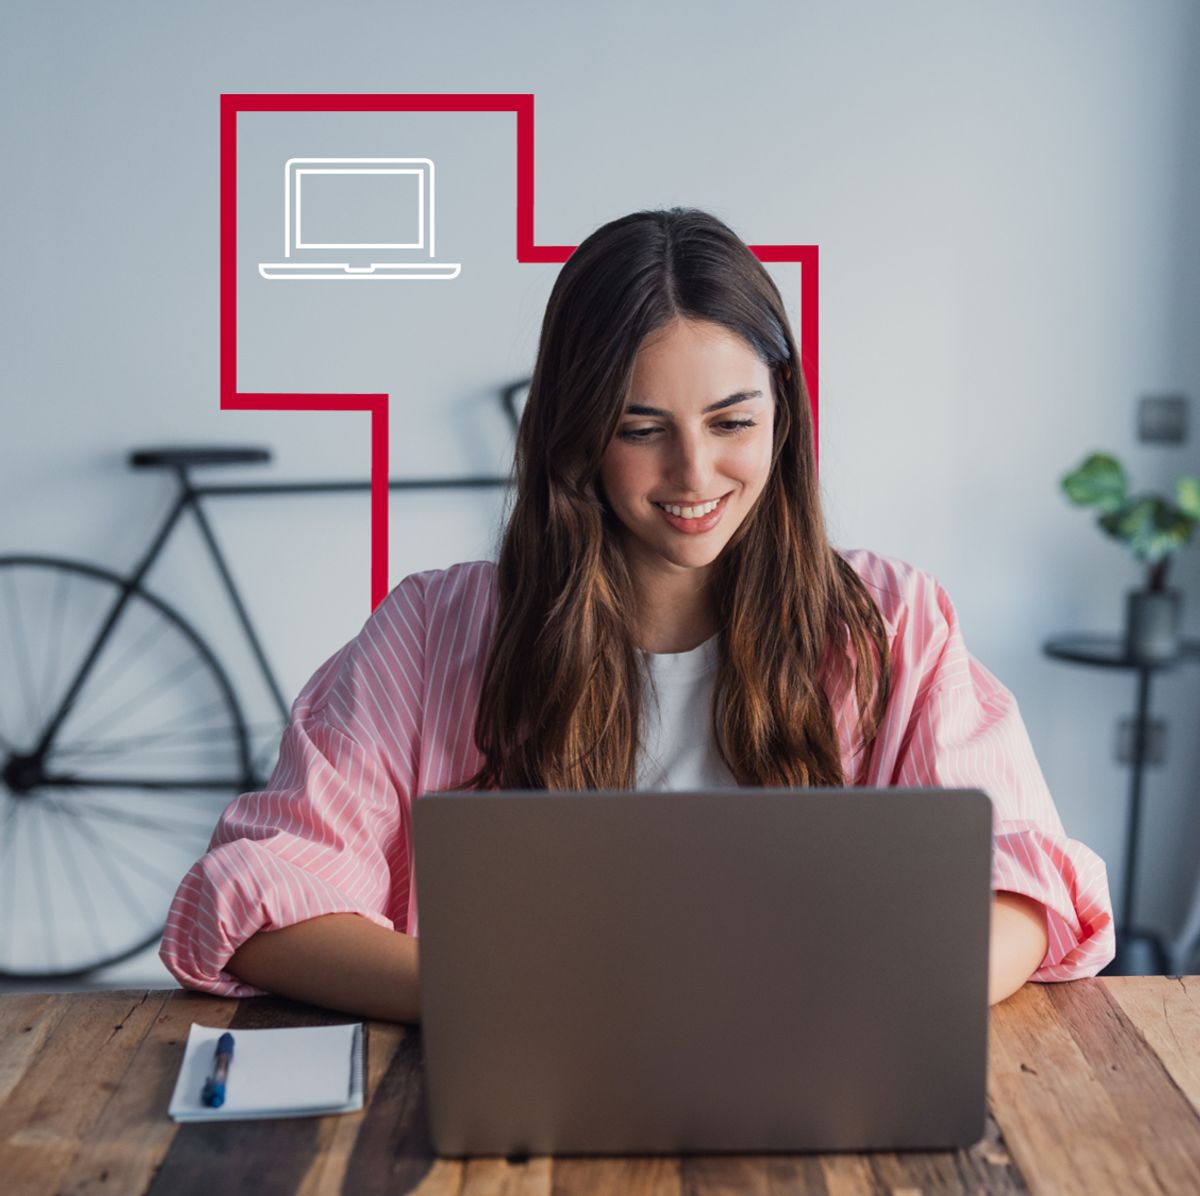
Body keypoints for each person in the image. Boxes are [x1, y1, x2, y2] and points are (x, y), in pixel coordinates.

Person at [160, 207, 1116, 1022]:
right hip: (530, 1087)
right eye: (640, 428)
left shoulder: (892, 623)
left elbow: (1024, 887)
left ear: (782, 420)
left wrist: (864, 998)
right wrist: (532, 1000)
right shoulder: (429, 632)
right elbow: (259, 899)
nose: (695, 475)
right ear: (576, 435)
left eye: (732, 422)